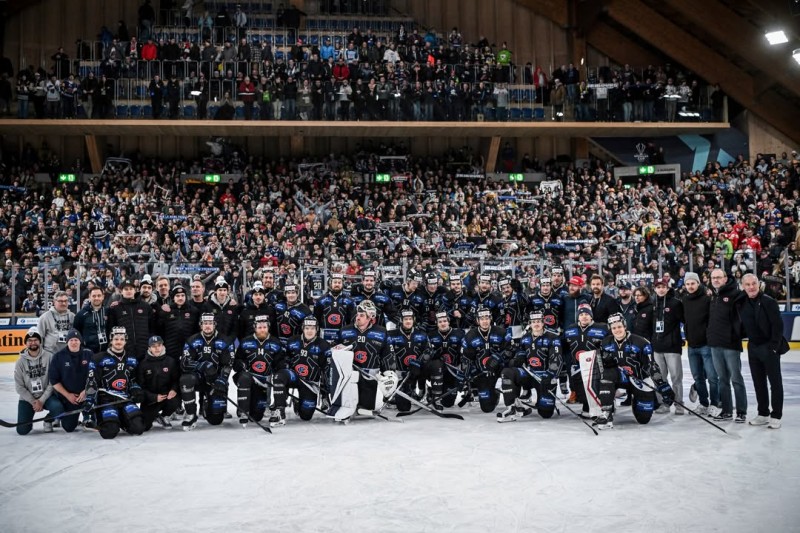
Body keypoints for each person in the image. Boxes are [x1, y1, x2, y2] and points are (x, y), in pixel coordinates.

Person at [588, 313, 673, 429]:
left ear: (625, 326)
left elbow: (651, 365)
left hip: (639, 380)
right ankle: (607, 412)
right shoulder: (605, 343)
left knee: (644, 419)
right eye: (613, 328)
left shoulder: (642, 343)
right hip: (619, 378)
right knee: (606, 374)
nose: (617, 330)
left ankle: (637, 399)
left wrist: (662, 384)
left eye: (619, 327)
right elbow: (600, 367)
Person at [498, 311, 562, 422]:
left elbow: (557, 359)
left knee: (545, 414)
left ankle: (539, 403)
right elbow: (521, 351)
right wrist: (520, 357)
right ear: (530, 324)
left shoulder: (553, 338)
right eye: (533, 322)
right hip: (529, 374)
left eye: (538, 321)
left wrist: (550, 375)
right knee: (507, 372)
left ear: (543, 323)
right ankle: (512, 407)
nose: (536, 324)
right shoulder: (525, 337)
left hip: (544, 378)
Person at [740, 274, 785, 429]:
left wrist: (773, 347)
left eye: (754, 283)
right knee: (759, 383)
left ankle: (776, 415)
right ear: (743, 286)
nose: (751, 287)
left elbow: (778, 326)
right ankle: (763, 413)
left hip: (769, 347)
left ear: (759, 284)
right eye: (747, 284)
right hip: (753, 347)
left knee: (775, 383)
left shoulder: (768, 301)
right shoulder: (742, 302)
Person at [84, 327, 146, 439]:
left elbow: (133, 380)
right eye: (116, 339)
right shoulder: (98, 358)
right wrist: (90, 400)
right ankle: (109, 421)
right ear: (111, 340)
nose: (119, 341)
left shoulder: (131, 359)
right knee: (109, 433)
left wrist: (136, 390)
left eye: (122, 339)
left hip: (124, 399)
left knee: (138, 429)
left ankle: (121, 419)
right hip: (106, 400)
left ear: (125, 341)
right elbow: (92, 382)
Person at [180, 313, 235, 430]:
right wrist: (202, 365)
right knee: (185, 380)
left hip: (215, 380)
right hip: (197, 378)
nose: (207, 326)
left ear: (215, 325)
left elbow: (228, 364)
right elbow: (184, 363)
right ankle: (191, 413)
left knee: (216, 420)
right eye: (205, 323)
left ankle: (207, 404)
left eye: (210, 323)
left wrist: (222, 380)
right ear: (201, 325)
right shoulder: (192, 340)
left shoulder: (225, 340)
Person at [272, 317, 332, 425]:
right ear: (303, 329)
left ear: (317, 329)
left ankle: (298, 403)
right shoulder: (292, 341)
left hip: (309, 382)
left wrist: (325, 394)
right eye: (307, 328)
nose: (309, 331)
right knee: (279, 376)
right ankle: (279, 410)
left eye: (312, 328)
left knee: (306, 416)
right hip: (293, 376)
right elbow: (283, 358)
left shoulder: (324, 345)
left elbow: (326, 370)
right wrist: (283, 365)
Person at [338, 300, 394, 413]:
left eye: (362, 315)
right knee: (348, 406)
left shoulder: (382, 332)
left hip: (370, 377)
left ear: (370, 317)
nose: (358, 317)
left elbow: (387, 355)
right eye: (357, 314)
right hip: (349, 378)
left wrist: (388, 374)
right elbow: (335, 353)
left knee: (366, 407)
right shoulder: (344, 331)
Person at [707, 269, 747, 423]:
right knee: (722, 379)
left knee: (736, 379)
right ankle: (727, 411)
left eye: (719, 277)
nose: (716, 280)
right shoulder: (714, 296)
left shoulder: (735, 294)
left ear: (725, 278)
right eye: (713, 278)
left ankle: (741, 411)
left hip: (731, 344)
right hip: (715, 344)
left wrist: (737, 334)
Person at [233, 314, 285, 427]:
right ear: (255, 328)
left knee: (256, 416)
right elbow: (236, 362)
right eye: (259, 327)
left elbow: (280, 362)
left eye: (264, 327)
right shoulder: (245, 341)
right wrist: (240, 365)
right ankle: (243, 410)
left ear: (268, 327)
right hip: (248, 379)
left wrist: (280, 368)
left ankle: (252, 407)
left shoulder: (275, 342)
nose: (262, 330)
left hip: (263, 382)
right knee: (244, 377)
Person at [681, 272, 720, 416]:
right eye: (688, 284)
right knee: (698, 377)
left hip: (706, 345)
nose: (690, 286)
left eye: (693, 283)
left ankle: (715, 403)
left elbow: (712, 321)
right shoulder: (684, 300)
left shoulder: (707, 299)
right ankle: (704, 403)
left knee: (712, 377)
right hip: (692, 345)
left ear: (698, 283)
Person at [14, 327, 64, 435]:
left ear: (40, 341)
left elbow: (53, 381)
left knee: (59, 408)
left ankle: (48, 420)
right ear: (26, 343)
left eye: (35, 340)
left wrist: (41, 400)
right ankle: (27, 421)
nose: (33, 342)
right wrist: (33, 401)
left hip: (47, 396)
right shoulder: (20, 362)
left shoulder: (49, 357)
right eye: (30, 341)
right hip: (27, 398)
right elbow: (19, 387)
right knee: (22, 430)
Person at [462, 307, 511, 413]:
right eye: (482, 319)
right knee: (487, 408)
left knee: (510, 370)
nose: (485, 321)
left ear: (491, 319)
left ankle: (512, 398)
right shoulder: (470, 335)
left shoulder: (501, 332)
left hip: (499, 370)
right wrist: (471, 373)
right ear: (477, 320)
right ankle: (494, 393)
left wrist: (498, 358)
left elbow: (510, 350)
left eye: (487, 318)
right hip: (482, 373)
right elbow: (466, 358)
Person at [389, 309, 439, 412]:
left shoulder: (421, 334)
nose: (408, 321)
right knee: (404, 408)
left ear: (414, 320)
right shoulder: (391, 335)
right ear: (401, 321)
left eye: (410, 319)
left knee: (434, 365)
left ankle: (425, 389)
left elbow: (429, 351)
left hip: (418, 370)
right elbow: (386, 353)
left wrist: (418, 363)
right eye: (406, 319)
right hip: (400, 374)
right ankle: (398, 392)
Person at [563, 304, 608, 412]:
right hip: (577, 368)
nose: (584, 316)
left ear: (591, 316)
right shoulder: (570, 329)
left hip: (596, 368)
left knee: (599, 388)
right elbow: (563, 347)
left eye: (587, 314)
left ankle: (606, 403)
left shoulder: (602, 328)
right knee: (581, 395)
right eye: (581, 314)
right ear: (578, 317)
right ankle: (587, 405)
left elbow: (610, 347)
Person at [650, 277, 685, 414]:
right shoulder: (652, 303)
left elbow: (684, 320)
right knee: (660, 378)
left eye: (663, 287)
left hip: (672, 347)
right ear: (654, 289)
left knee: (676, 377)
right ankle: (664, 403)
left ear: (668, 288)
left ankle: (679, 404)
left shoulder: (676, 303)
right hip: (657, 348)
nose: (661, 289)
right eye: (658, 287)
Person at [48, 329, 93, 433]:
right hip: (69, 398)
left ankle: (89, 416)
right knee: (68, 427)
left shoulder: (89, 354)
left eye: (76, 340)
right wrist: (68, 395)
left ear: (80, 341)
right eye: (71, 340)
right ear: (67, 341)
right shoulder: (58, 356)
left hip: (86, 395)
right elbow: (54, 380)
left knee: (93, 422)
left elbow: (94, 376)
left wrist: (86, 391)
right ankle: (56, 416)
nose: (74, 342)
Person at [137, 335, 181, 431]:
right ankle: (154, 415)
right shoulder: (143, 364)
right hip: (151, 399)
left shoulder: (170, 361)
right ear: (149, 348)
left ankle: (165, 416)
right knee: (144, 427)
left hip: (166, 397)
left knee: (175, 401)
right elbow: (140, 386)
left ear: (163, 346)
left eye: (159, 345)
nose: (157, 348)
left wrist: (173, 390)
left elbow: (176, 380)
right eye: (153, 346)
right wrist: (153, 397)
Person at [106, 278, 152, 361]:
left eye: (131, 289)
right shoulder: (115, 308)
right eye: (126, 289)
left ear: (135, 290)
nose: (129, 291)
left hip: (144, 350)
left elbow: (152, 327)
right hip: (124, 350)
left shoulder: (146, 306)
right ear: (121, 291)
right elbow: (110, 329)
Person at [314, 272, 355, 342]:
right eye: (335, 282)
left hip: (342, 337)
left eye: (339, 283)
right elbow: (316, 319)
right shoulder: (320, 300)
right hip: (324, 338)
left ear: (343, 284)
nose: (337, 284)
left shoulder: (349, 301)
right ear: (330, 284)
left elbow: (351, 321)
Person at [37, 290, 75, 356]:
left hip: (69, 354)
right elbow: (40, 338)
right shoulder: (45, 317)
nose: (63, 303)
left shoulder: (72, 316)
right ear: (54, 302)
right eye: (60, 301)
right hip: (50, 354)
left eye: (66, 301)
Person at [73, 286, 108, 353]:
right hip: (88, 352)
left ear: (103, 297)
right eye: (94, 296)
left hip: (106, 352)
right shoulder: (81, 314)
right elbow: (77, 333)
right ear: (89, 297)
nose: (96, 298)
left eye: (99, 295)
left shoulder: (108, 312)